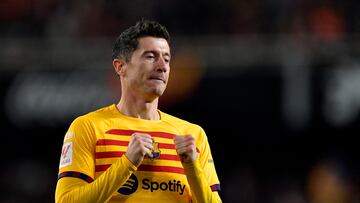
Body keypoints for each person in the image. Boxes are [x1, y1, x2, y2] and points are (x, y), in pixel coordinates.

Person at [55, 19, 222, 203]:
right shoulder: (88, 128)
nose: (162, 66)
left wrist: (192, 167)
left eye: (166, 59)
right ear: (120, 67)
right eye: (150, 56)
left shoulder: (192, 135)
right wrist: (127, 163)